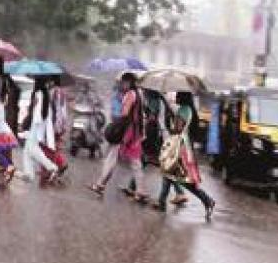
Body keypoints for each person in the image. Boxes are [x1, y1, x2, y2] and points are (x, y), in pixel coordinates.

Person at [154, 91, 216, 219]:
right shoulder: (188, 109)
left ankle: (207, 200)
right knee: (170, 173)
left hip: (179, 146)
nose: (175, 97)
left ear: (183, 97)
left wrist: (170, 116)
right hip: (183, 145)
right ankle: (161, 202)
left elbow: (176, 129)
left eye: (178, 95)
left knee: (180, 177)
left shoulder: (184, 110)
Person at [89, 72, 148, 203]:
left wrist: (115, 126)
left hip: (125, 132)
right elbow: (139, 114)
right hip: (135, 132)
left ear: (130, 82)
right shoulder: (140, 94)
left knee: (113, 159)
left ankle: (100, 185)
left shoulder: (129, 95)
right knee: (135, 163)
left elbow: (125, 114)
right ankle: (140, 191)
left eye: (124, 82)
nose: (123, 84)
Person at [22, 77, 61, 184]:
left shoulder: (39, 93)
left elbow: (38, 113)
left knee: (33, 149)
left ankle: (52, 168)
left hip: (36, 125)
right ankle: (29, 174)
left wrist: (33, 109)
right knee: (27, 150)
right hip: (38, 125)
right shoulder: (45, 93)